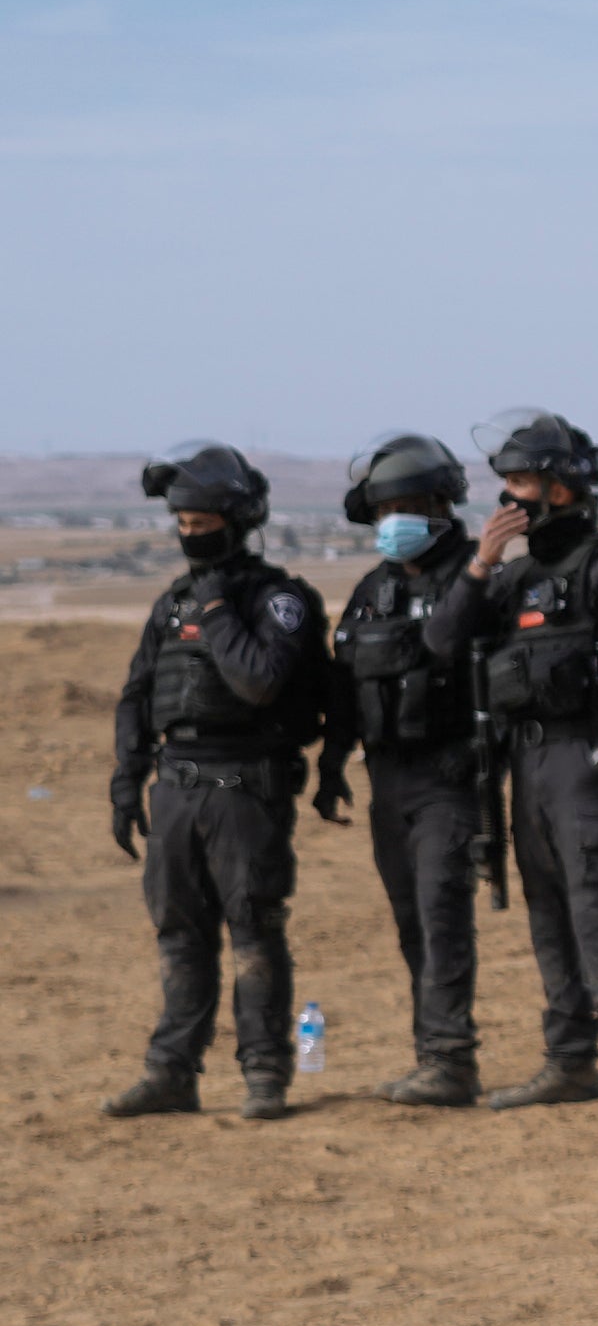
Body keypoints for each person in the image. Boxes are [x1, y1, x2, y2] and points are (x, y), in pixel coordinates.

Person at [447, 411, 598, 1111]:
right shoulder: (514, 578)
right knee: (547, 916)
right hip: (523, 772)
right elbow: (442, 642)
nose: (509, 498)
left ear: (559, 489)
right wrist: (481, 564)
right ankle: (569, 1062)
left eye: (521, 482)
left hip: (581, 765)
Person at [101, 443, 334, 1122]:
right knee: (178, 933)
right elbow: (136, 697)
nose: (190, 535)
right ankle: (171, 1072)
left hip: (245, 789)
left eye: (203, 523)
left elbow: (258, 681)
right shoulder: (172, 605)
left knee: (254, 931)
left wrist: (219, 607)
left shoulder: (278, 600)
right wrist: (126, 782)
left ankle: (265, 1074)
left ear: (238, 520)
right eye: (182, 522)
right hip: (174, 788)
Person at [327, 432, 491, 1107]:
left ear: (442, 502)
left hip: (449, 777)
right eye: (383, 508)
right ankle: (432, 1053)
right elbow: (344, 686)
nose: (393, 520)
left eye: (406, 504)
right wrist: (333, 764)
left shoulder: (478, 581)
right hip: (385, 779)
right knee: (408, 920)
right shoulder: (373, 591)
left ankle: (451, 1060)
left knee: (441, 912)